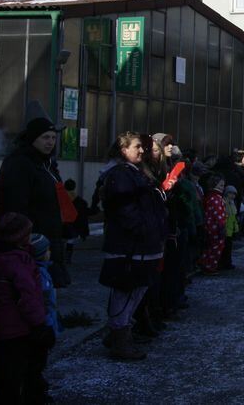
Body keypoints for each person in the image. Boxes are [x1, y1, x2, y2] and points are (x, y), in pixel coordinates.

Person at [97, 132, 167, 361]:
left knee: (135, 291)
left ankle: (119, 334)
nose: (142, 150)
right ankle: (119, 338)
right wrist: (144, 229)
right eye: (137, 147)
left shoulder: (135, 172)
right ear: (123, 150)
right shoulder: (120, 175)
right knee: (125, 292)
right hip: (130, 246)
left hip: (142, 245)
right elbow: (124, 210)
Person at [0, 213, 55, 404]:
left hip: (2, 326)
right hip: (22, 327)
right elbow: (29, 297)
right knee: (26, 366)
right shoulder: (19, 262)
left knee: (5, 365)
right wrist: (40, 323)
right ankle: (29, 396)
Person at [0, 117, 70, 287]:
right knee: (31, 290)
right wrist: (25, 238)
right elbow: (14, 204)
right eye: (45, 137)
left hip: (49, 235)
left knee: (46, 291)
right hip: (30, 239)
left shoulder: (47, 163)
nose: (50, 142)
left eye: (53, 137)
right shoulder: (20, 163)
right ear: (33, 138)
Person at [198, 174, 228, 275]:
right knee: (215, 247)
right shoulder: (215, 197)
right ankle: (209, 266)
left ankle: (206, 265)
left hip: (211, 225)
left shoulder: (212, 196)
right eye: (220, 186)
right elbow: (218, 214)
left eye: (223, 186)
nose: (222, 188)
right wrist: (222, 226)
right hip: (214, 227)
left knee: (211, 246)